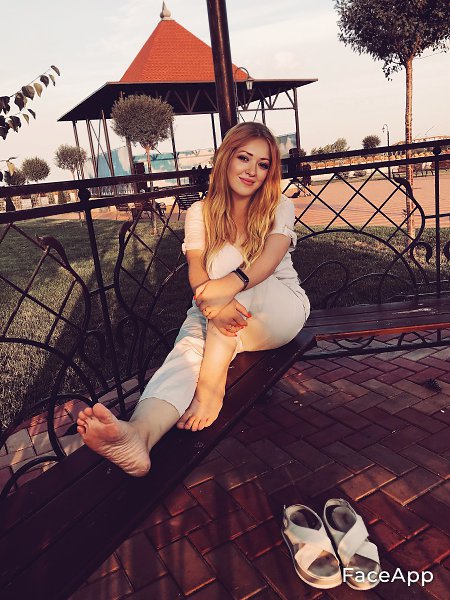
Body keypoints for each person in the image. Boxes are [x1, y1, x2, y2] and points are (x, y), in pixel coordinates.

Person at [77, 122, 311, 477]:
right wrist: (214, 305)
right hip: (221, 313)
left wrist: (227, 288)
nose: (252, 170)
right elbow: (197, 270)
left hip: (280, 310)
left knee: (224, 265)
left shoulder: (279, 205)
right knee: (186, 354)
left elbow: (269, 260)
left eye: (263, 164)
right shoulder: (201, 211)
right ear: (226, 158)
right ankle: (139, 435)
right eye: (244, 158)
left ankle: (211, 390)